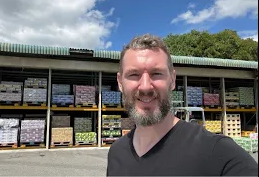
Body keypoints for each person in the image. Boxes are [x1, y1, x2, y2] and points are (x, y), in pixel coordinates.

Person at [106, 34, 258, 176]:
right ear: (120, 82)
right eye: (134, 75)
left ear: (172, 80)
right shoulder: (116, 152)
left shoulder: (218, 153)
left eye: (156, 73)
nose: (145, 87)